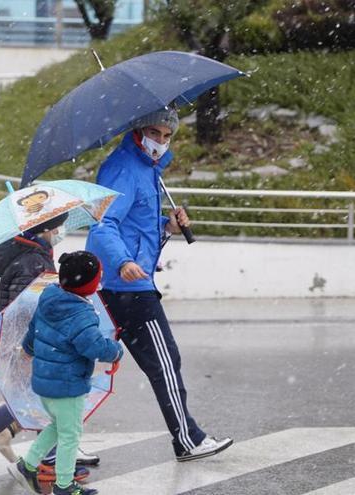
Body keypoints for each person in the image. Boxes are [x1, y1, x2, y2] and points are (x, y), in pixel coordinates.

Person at [85, 108, 233, 461]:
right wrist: (123, 262)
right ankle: (188, 439)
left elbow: (137, 231)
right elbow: (104, 226)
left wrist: (168, 228)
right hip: (127, 288)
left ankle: (54, 449)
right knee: (165, 362)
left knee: (78, 367)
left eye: (168, 136)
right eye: (155, 133)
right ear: (138, 130)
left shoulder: (145, 169)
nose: (161, 142)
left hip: (120, 283)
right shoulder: (125, 167)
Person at [0, 212, 98, 486]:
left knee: (27, 399)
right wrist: (34, 344)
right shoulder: (33, 261)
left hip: (23, 340)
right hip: (24, 342)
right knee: (36, 399)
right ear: (48, 229)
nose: (60, 231)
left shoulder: (31, 253)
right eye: (58, 226)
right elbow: (25, 308)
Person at [10, 250, 123, 495]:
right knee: (71, 434)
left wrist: (28, 350)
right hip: (67, 385)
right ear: (89, 284)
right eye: (98, 277)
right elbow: (92, 346)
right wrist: (115, 352)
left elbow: (33, 331)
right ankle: (64, 485)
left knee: (57, 426)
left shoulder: (50, 296)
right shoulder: (80, 313)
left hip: (45, 382)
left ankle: (27, 465)